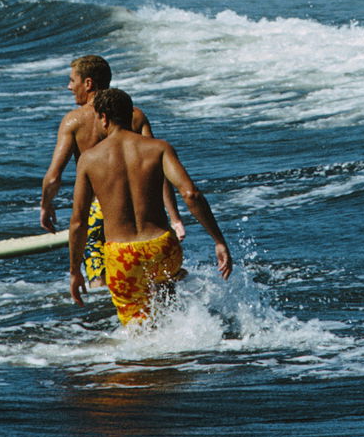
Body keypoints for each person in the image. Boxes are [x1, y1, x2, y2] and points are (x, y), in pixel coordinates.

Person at [67, 88, 232, 324]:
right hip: (161, 248)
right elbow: (191, 194)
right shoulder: (158, 148)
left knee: (139, 330)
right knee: (168, 310)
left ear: (103, 117)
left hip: (122, 255)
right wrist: (218, 240)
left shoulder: (90, 159)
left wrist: (75, 271)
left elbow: (78, 221)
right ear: (129, 114)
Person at [40, 55, 183, 294]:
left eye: (72, 80)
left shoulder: (73, 121)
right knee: (159, 283)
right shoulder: (135, 116)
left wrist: (46, 205)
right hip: (143, 211)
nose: (68, 86)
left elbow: (53, 176)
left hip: (100, 211)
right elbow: (158, 168)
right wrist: (174, 217)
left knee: (101, 281)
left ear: (88, 83)